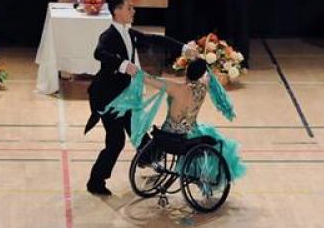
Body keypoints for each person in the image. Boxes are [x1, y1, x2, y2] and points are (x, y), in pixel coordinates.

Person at [83, 0, 180, 196]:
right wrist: (122, 64)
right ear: (117, 11)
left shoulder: (130, 33)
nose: (133, 11)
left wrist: (184, 48)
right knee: (116, 141)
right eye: (129, 7)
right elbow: (99, 53)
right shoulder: (108, 36)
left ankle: (149, 159)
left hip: (124, 97)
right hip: (108, 99)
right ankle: (95, 181)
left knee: (137, 129)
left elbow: (154, 40)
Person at [105, 58, 247, 183]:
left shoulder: (175, 88)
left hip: (167, 137)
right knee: (214, 137)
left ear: (186, 72)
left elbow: (149, 79)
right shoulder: (204, 86)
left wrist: (134, 71)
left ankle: (150, 161)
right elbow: (208, 76)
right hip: (189, 136)